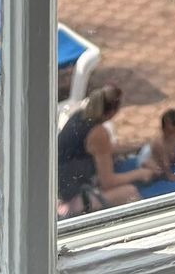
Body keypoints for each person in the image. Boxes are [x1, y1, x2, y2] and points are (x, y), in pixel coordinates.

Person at [54, 83, 148, 215]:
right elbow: (108, 182)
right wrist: (141, 173)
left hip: (57, 184)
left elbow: (103, 148)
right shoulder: (98, 133)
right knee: (130, 193)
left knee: (114, 162)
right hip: (68, 200)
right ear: (113, 112)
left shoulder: (80, 115)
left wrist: (136, 146)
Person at [130, 106, 175, 188]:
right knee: (153, 174)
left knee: (174, 159)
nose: (170, 133)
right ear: (163, 128)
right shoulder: (159, 142)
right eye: (168, 130)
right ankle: (143, 167)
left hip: (159, 152)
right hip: (147, 157)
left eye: (173, 129)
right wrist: (169, 175)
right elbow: (164, 161)